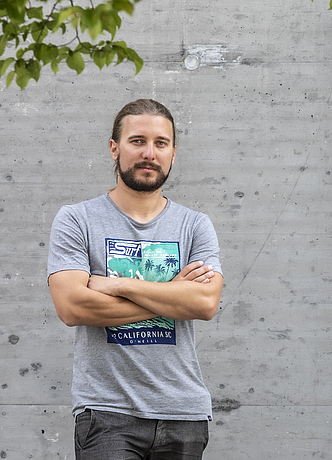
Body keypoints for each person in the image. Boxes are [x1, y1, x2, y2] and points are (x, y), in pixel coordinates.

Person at [47, 99, 223, 459]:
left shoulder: (195, 225)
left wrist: (120, 284)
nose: (149, 153)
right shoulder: (77, 220)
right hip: (107, 412)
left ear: (173, 153)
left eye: (161, 143)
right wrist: (174, 294)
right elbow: (72, 306)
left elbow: (204, 304)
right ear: (115, 148)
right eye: (137, 141)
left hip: (184, 412)